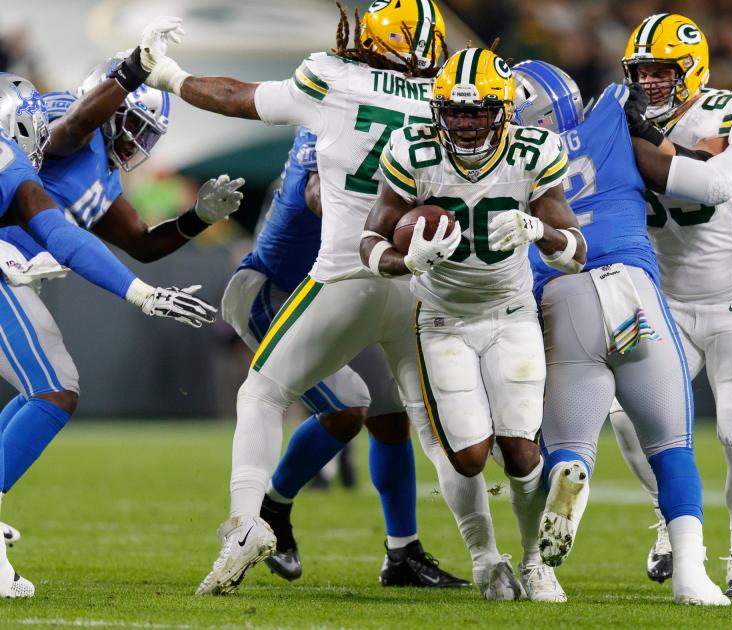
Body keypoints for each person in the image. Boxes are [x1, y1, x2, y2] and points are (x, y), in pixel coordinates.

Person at [141, 3, 498, 598]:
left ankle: (254, 523)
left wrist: (171, 77)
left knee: (278, 395)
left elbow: (241, 99)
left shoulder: (332, 82)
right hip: (361, 283)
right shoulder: (443, 104)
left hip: (344, 275)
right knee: (416, 429)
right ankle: (492, 560)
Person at [360, 48, 586, 602]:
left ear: (503, 110)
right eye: (453, 112)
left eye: (476, 111)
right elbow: (369, 239)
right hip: (442, 320)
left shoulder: (536, 152)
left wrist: (538, 229)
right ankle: (486, 559)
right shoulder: (412, 150)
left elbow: (575, 252)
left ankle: (536, 564)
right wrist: (403, 262)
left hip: (511, 316)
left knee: (523, 451)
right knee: (467, 455)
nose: (462, 124)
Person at [510, 59, 731, 606]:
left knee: (568, 443)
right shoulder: (611, 110)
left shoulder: (505, 161)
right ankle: (690, 575)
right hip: (632, 289)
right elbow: (694, 157)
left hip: (562, 295)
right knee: (672, 444)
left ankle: (567, 482)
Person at [220, 126, 467, 588]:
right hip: (274, 291)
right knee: (348, 406)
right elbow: (318, 194)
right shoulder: (328, 126)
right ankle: (272, 506)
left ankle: (402, 552)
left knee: (392, 413)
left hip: (346, 292)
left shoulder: (394, 131)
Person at [0, 72, 216, 598]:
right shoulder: (35, 145)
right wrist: (135, 66)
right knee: (54, 386)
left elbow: (120, 239)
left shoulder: (49, 159)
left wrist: (195, 219)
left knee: (49, 385)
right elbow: (60, 230)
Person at [608, 13, 732, 598]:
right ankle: (671, 521)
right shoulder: (618, 121)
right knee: (628, 420)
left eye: (661, 71)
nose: (649, 83)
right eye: (641, 73)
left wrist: (655, 144)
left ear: (693, 69)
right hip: (666, 299)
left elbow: (709, 168)